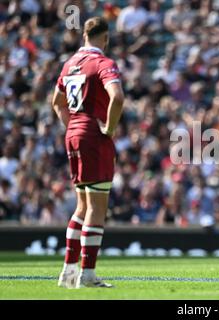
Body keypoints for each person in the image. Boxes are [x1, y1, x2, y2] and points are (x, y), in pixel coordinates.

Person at [52, 17, 124, 288]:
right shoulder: (104, 64)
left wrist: (73, 127)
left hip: (73, 136)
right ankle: (88, 274)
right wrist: (109, 128)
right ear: (105, 38)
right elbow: (117, 97)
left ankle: (68, 272)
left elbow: (56, 103)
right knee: (97, 207)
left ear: (84, 36)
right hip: (93, 136)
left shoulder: (69, 64)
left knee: (82, 206)